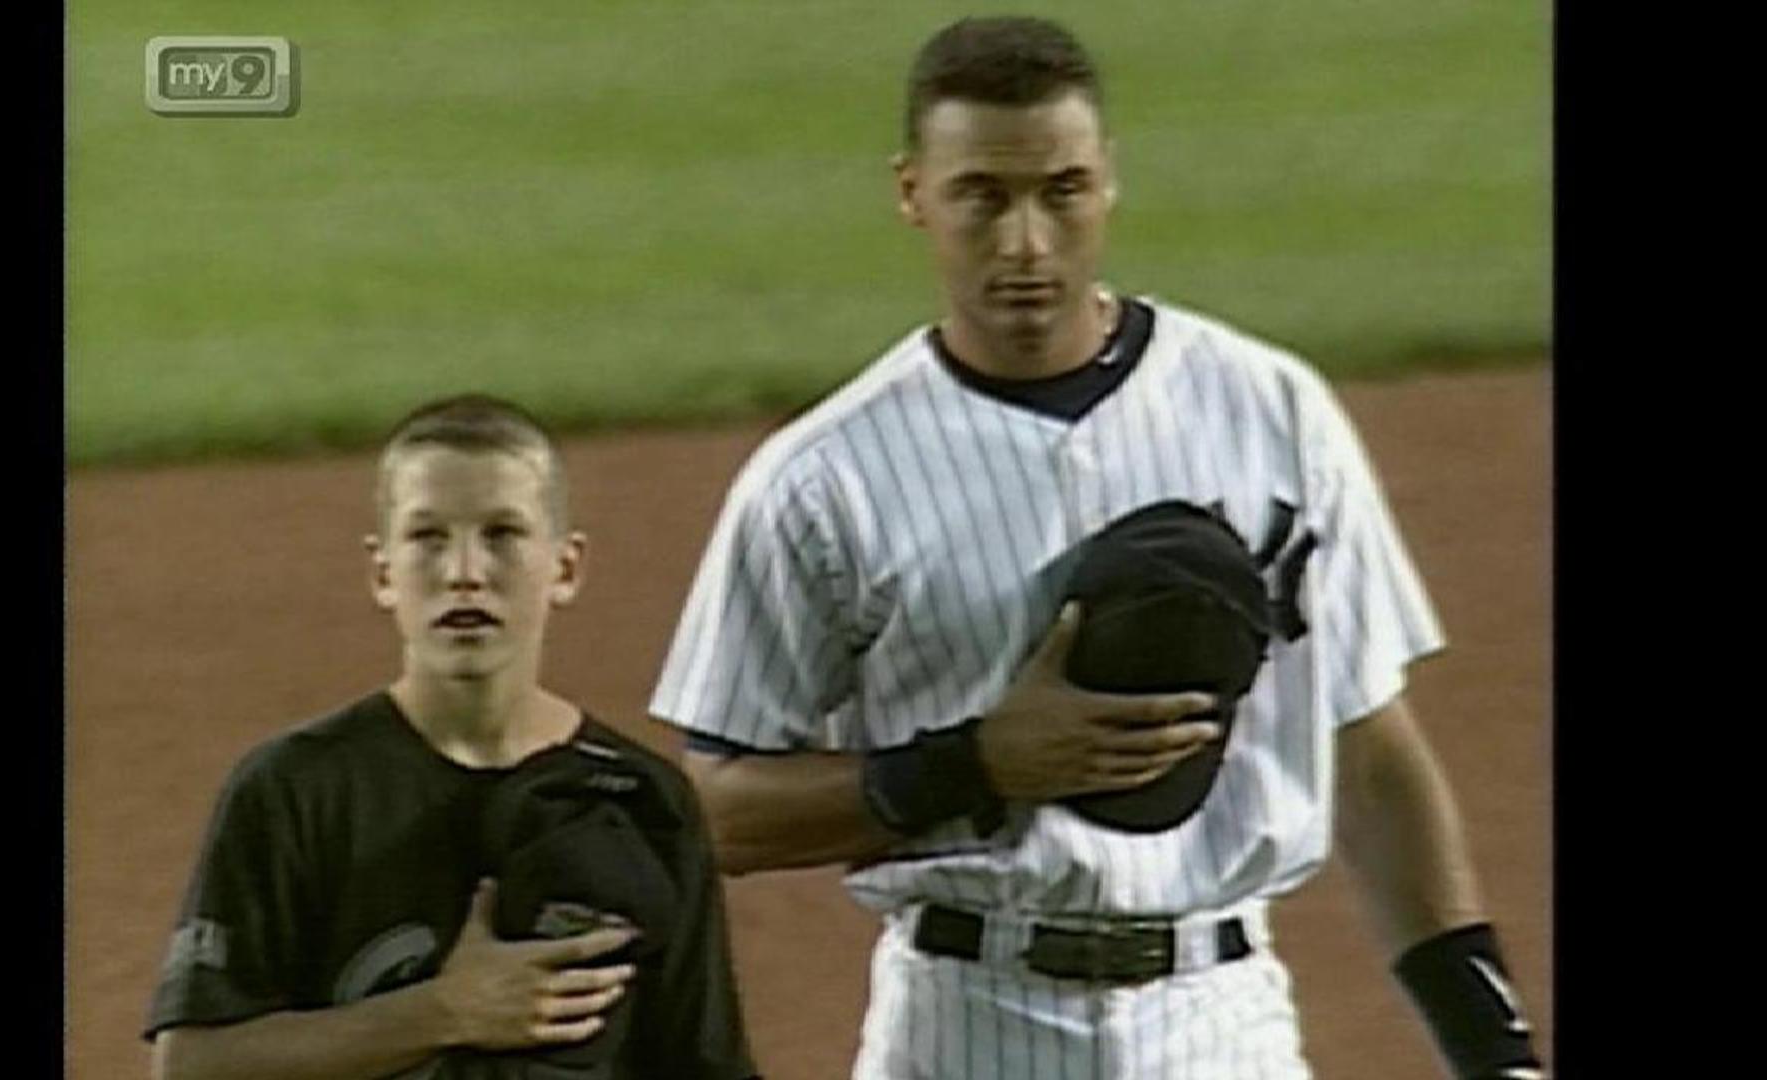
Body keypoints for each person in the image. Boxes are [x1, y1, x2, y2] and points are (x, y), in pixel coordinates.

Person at [651, 15, 1544, 1080]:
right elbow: (713, 813)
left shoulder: (1270, 409)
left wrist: (1495, 1050)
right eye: (982, 195)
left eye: (1061, 190)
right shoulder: (820, 480)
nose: (1026, 242)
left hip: (1224, 1023)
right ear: (913, 193)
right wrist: (975, 765)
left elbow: (1372, 751)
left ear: (1108, 181)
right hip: (965, 1022)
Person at [145, 394, 759, 1080]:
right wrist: (444, 1013)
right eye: (428, 537)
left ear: (565, 567)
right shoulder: (294, 788)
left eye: (502, 534)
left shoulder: (642, 800)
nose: (464, 570)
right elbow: (192, 1066)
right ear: (383, 573)